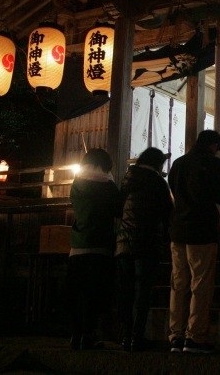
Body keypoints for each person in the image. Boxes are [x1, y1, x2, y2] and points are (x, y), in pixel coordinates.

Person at [166, 130, 220, 354]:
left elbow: (172, 189)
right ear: (214, 145)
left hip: (178, 230)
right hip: (202, 230)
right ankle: (194, 336)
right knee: (200, 284)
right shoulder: (215, 164)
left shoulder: (179, 163)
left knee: (178, 283)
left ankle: (175, 335)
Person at [115, 147, 174, 352]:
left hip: (124, 243)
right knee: (142, 292)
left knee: (126, 291)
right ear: (158, 164)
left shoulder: (127, 180)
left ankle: (124, 336)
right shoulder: (158, 183)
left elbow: (118, 209)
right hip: (147, 243)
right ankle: (137, 337)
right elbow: (168, 213)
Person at [67, 148, 122, 350]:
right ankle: (89, 335)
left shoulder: (77, 184)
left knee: (77, 294)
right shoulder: (108, 186)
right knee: (95, 295)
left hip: (77, 246)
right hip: (101, 247)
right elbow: (119, 209)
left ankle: (75, 334)